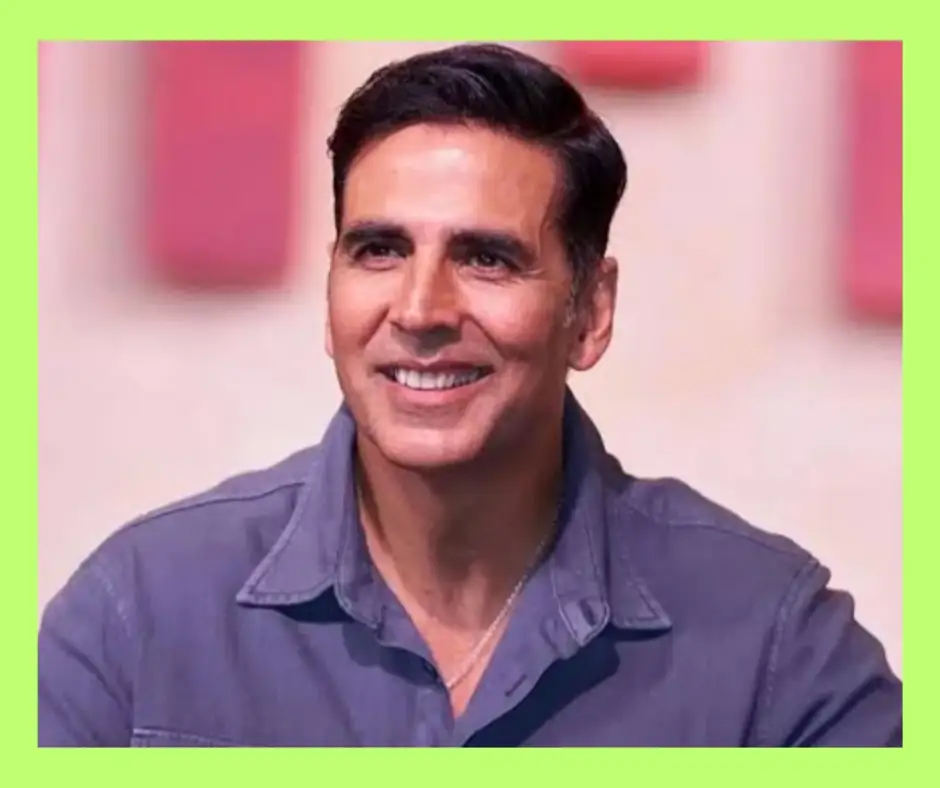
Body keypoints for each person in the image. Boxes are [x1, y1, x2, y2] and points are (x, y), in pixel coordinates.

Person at [38, 43, 902, 748]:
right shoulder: (136, 617)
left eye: (486, 258)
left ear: (591, 312)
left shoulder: (778, 654)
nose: (419, 310)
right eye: (379, 251)